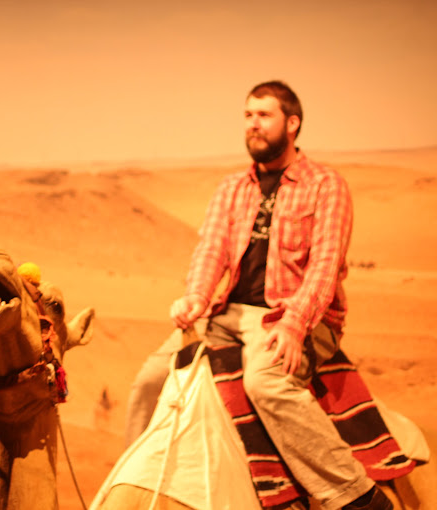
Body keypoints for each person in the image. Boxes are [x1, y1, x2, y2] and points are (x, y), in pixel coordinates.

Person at [124, 81, 393, 510]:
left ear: (292, 123)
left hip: (296, 316)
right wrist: (196, 297)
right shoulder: (233, 187)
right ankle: (137, 485)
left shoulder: (326, 185)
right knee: (151, 379)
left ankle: (355, 495)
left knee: (266, 384)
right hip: (226, 315)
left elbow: (325, 267)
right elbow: (211, 249)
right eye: (248, 115)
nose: (253, 124)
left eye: (264, 115)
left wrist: (294, 325)